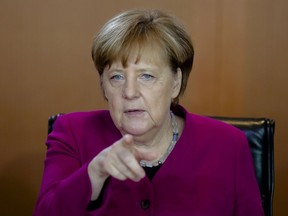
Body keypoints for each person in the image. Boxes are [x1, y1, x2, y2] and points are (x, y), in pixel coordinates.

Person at [34, 9, 264, 216]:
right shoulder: (72, 132)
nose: (130, 92)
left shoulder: (228, 144)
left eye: (147, 76)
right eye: (117, 77)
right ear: (103, 85)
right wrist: (96, 171)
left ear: (175, 82)